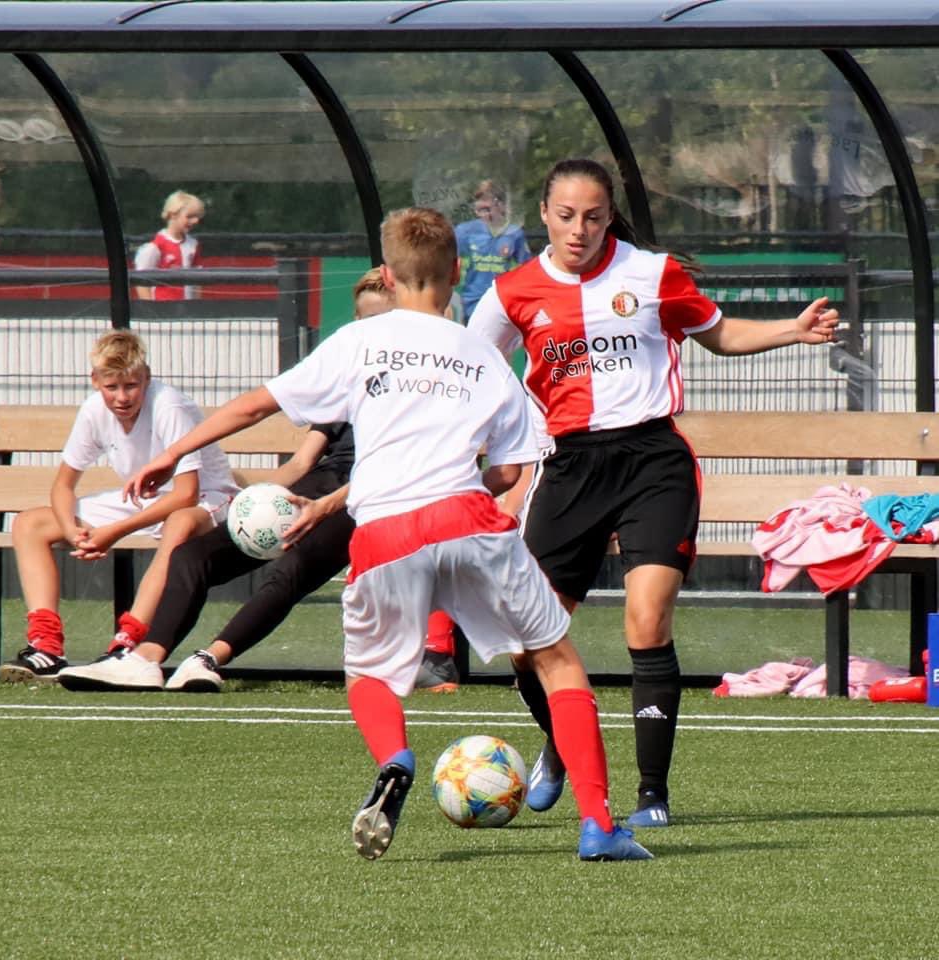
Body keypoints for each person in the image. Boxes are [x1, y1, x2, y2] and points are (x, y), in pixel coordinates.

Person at [125, 206, 653, 863]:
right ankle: (599, 826)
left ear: (390, 275)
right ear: (455, 273)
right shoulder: (483, 357)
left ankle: (395, 758)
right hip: (469, 520)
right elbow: (509, 470)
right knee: (556, 662)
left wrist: (169, 453)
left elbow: (258, 403)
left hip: (383, 533)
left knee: (370, 677)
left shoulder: (360, 341)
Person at [468, 157, 840, 829]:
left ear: (608, 216)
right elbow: (471, 372)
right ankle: (560, 743)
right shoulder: (512, 292)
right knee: (526, 641)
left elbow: (719, 333)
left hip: (652, 462)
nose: (577, 229)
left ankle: (650, 796)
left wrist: (792, 329)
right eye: (564, 216)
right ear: (543, 216)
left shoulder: (651, 273)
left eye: (591, 216)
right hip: (569, 467)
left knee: (646, 619)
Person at [56, 269, 458, 693]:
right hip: (320, 485)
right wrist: (258, 498)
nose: (370, 331)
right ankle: (146, 658)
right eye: (363, 321)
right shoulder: (350, 381)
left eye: (382, 320)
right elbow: (303, 460)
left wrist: (326, 506)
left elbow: (397, 469)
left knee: (293, 565)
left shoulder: (423, 385)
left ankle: (209, 658)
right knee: (193, 556)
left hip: (372, 497)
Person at [0, 330, 238, 684]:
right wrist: (71, 530)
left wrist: (112, 532)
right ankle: (46, 647)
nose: (122, 397)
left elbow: (186, 493)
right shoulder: (94, 410)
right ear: (95, 382)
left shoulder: (168, 406)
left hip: (208, 499)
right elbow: (63, 485)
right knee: (29, 524)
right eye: (112, 387)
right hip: (147, 501)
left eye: (132, 385)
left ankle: (129, 644)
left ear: (147, 378)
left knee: (179, 524)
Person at [454, 180, 531, 322]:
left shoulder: (514, 233)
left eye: (487, 209)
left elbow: (526, 269)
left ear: (501, 206)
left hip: (501, 302)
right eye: (479, 209)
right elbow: (448, 264)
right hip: (472, 302)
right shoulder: (464, 231)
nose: (483, 215)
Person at [133, 190, 205, 301]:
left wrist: (197, 306)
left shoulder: (193, 245)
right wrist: (150, 310)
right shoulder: (156, 246)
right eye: (189, 216)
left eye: (197, 217)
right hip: (163, 310)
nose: (195, 221)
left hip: (188, 310)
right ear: (173, 215)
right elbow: (141, 282)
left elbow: (197, 282)